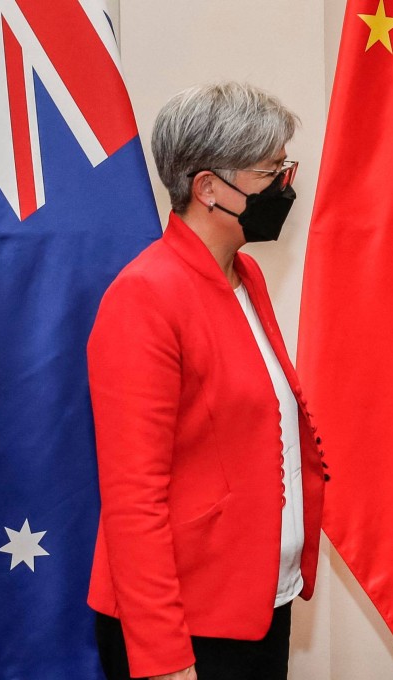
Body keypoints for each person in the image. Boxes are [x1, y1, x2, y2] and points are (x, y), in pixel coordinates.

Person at [86, 82, 326, 680]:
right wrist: (165, 659)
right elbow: (132, 497)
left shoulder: (244, 275)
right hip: (186, 628)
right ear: (208, 187)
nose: (285, 187)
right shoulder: (145, 296)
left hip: (255, 605)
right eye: (270, 172)